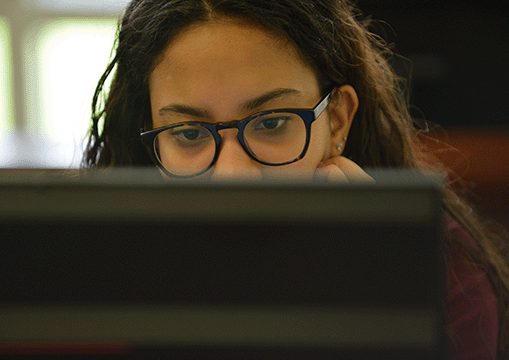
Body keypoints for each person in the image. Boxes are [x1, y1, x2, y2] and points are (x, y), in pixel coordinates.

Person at [84, 0, 509, 358]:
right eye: (190, 134)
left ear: (337, 120)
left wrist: (367, 303)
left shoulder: (446, 272)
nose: (234, 177)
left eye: (271, 124)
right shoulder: (105, 274)